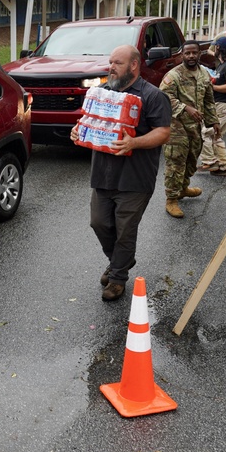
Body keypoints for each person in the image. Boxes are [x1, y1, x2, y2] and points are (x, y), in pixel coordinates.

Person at [69, 45, 171, 301]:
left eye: (117, 63)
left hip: (135, 178)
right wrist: (77, 131)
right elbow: (89, 120)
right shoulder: (102, 92)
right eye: (110, 62)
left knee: (125, 229)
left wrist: (133, 143)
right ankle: (120, 261)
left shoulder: (153, 96)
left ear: (134, 65)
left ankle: (117, 279)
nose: (111, 67)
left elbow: (163, 132)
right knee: (99, 223)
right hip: (103, 174)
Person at [160, 41, 220, 219]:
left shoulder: (203, 74)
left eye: (194, 53)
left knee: (192, 160)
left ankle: (183, 188)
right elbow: (163, 96)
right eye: (187, 53)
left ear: (199, 54)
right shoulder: (174, 75)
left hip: (195, 127)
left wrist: (213, 121)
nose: (191, 56)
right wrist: (185, 107)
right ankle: (171, 199)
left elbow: (208, 99)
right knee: (175, 163)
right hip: (176, 127)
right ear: (182, 55)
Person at [199, 37, 226, 176]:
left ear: (219, 48)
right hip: (220, 105)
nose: (212, 50)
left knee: (206, 132)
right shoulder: (222, 65)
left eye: (214, 47)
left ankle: (210, 161)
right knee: (216, 136)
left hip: (225, 106)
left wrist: (213, 86)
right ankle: (225, 166)